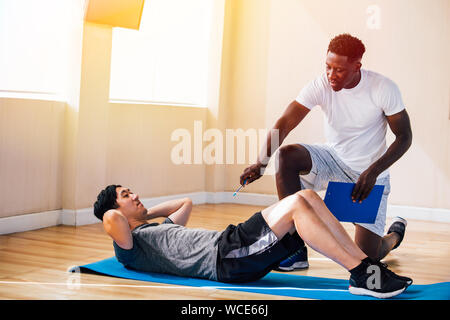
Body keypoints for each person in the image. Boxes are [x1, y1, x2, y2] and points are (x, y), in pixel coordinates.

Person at [240, 34, 412, 271]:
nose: (331, 75)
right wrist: (261, 163)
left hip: (370, 175)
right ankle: (295, 249)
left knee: (369, 257)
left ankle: (394, 235)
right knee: (286, 157)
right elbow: (286, 122)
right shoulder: (321, 84)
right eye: (328, 67)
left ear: (356, 67)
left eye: (339, 70)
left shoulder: (383, 88)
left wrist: (373, 172)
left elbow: (404, 138)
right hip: (333, 161)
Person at [93, 184, 412, 299]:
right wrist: (126, 213)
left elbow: (185, 204)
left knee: (306, 196)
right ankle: (363, 275)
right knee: (298, 205)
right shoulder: (128, 246)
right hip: (226, 258)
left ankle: (369, 269)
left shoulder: (151, 230)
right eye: (125, 195)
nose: (134, 195)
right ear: (114, 208)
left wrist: (145, 213)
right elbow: (112, 220)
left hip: (231, 243)